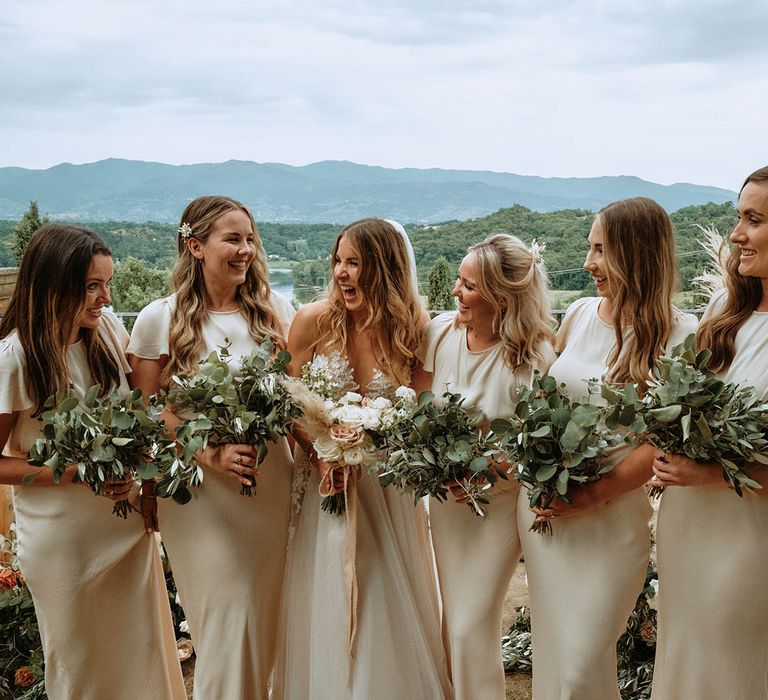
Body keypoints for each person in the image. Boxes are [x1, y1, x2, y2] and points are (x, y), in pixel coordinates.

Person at [518, 197, 698, 699]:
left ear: (635, 256)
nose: (588, 263)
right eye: (589, 247)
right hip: (549, 515)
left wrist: (591, 496)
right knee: (557, 659)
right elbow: (545, 398)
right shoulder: (577, 314)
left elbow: (661, 440)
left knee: (579, 664)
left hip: (612, 518)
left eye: (600, 250)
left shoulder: (681, 334)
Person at [0, 224, 185, 699]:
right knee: (80, 661)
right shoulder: (15, 358)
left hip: (122, 527)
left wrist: (144, 479)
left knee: (142, 652)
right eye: (91, 286)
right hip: (63, 541)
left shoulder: (105, 330)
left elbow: (135, 416)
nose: (105, 298)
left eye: (107, 284)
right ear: (53, 285)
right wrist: (77, 472)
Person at [273, 218, 453, 699]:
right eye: (338, 261)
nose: (340, 273)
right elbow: (290, 404)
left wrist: (372, 443)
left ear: (385, 269)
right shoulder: (311, 321)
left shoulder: (416, 330)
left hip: (386, 489)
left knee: (380, 594)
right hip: (323, 486)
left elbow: (419, 412)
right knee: (327, 590)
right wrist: (321, 452)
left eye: (354, 263)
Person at [127, 195, 295, 700]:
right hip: (198, 497)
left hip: (269, 488)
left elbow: (297, 396)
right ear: (196, 246)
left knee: (262, 624)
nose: (246, 250)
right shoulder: (159, 318)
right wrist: (209, 453)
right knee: (226, 621)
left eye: (250, 239)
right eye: (232, 239)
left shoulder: (277, 312)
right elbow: (148, 411)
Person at [416, 234, 555, 699]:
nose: (456, 291)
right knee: (451, 621)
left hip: (496, 508)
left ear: (501, 296)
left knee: (471, 624)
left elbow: (536, 446)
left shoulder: (534, 356)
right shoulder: (439, 333)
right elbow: (416, 408)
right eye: (458, 279)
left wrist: (484, 472)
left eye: (468, 284)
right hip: (446, 505)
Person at [650, 167, 768, 700]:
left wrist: (712, 471)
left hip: (750, 534)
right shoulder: (724, 310)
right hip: (687, 524)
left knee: (734, 665)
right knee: (687, 654)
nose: (737, 234)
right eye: (738, 217)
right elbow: (683, 399)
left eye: (754, 220)